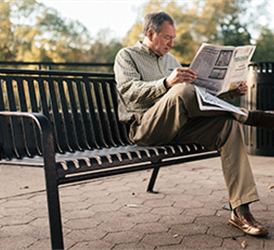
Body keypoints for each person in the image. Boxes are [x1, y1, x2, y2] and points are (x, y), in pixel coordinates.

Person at [114, 11, 273, 236]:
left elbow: (198, 96)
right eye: (168, 37)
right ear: (150, 33)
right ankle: (249, 116)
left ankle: (240, 211)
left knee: (227, 126)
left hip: (178, 126)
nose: (172, 42)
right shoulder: (127, 56)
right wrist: (167, 83)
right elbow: (129, 92)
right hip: (145, 127)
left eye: (173, 37)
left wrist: (230, 93)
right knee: (183, 89)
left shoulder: (171, 60)